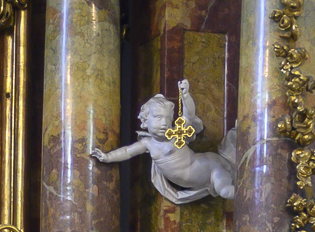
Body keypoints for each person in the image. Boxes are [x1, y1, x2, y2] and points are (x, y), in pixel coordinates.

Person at [91, 81, 234, 205]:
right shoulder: (147, 143)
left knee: (225, 190)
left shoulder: (175, 133)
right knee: (226, 189)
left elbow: (188, 116)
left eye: (168, 119)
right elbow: (127, 151)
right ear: (145, 121)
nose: (164, 123)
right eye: (158, 118)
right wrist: (107, 157)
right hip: (206, 176)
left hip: (210, 167)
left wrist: (185, 95)